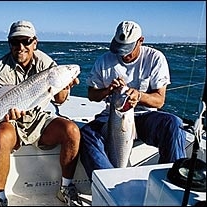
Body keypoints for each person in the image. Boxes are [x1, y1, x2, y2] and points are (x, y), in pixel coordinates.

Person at [0, 20, 82, 206]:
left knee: (72, 131)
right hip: (13, 122)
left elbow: (59, 99)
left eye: (26, 41)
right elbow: (0, 108)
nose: (21, 47)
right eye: (15, 42)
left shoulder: (48, 65)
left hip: (39, 118)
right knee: (0, 135)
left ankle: (65, 188)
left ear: (35, 42)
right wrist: (9, 115)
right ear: (9, 44)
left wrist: (65, 86)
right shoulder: (1, 70)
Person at [79, 20, 187, 181]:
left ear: (140, 41)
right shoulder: (104, 60)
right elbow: (92, 95)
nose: (123, 54)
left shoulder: (155, 58)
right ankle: (109, 181)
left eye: (127, 50)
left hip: (145, 116)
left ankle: (171, 183)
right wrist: (108, 90)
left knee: (174, 124)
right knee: (87, 134)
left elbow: (159, 100)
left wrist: (139, 96)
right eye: (119, 49)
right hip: (112, 116)